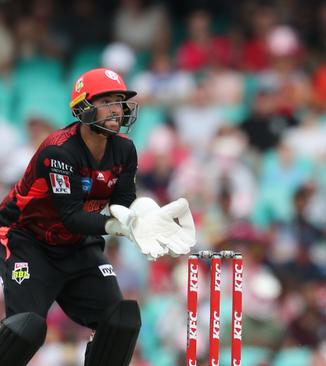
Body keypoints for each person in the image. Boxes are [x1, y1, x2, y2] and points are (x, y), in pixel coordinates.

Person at [0, 68, 196, 365]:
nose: (116, 109)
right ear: (83, 108)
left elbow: (122, 202)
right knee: (26, 329)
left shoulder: (125, 150)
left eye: (118, 101)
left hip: (78, 245)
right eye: (106, 101)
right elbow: (70, 216)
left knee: (120, 322)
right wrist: (117, 226)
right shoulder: (59, 150)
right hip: (28, 240)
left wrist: (145, 217)